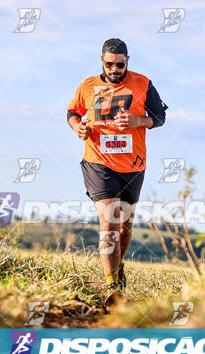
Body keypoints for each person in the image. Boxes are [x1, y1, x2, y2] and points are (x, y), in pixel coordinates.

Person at [67, 38, 168, 305]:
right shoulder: (87, 86)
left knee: (125, 226)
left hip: (133, 164)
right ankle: (112, 286)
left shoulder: (143, 84)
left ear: (127, 61)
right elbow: (72, 113)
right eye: (110, 64)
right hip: (97, 161)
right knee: (109, 218)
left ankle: (118, 264)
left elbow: (159, 117)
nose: (115, 69)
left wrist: (138, 120)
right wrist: (78, 127)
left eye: (120, 64)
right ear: (102, 61)